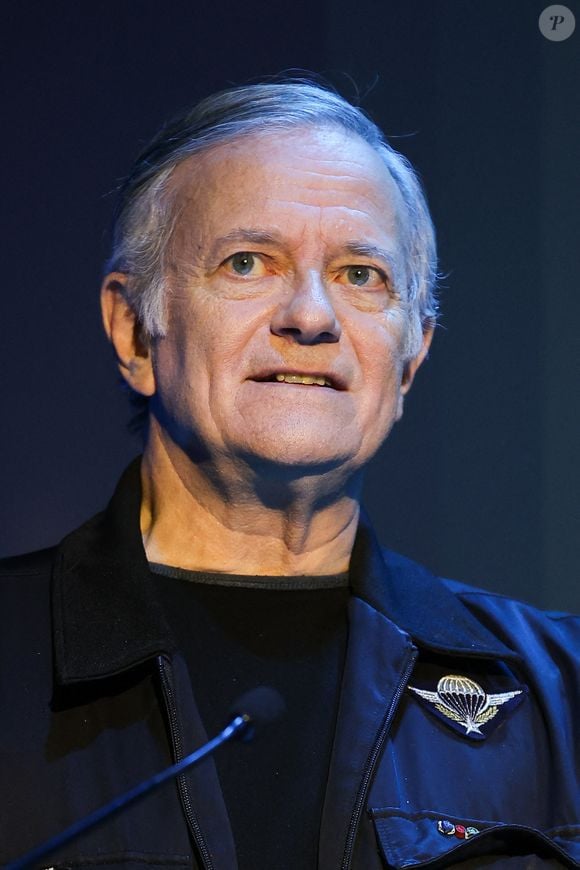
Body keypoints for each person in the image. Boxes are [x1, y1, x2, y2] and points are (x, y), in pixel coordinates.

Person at [1, 79, 578, 870]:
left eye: (360, 275)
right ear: (135, 332)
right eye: (248, 262)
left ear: (410, 359)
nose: (310, 316)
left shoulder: (562, 697)